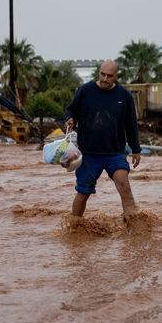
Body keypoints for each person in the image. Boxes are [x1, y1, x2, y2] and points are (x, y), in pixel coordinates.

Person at [64, 59, 141, 218]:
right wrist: (70, 119)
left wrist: (136, 150)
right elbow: (71, 111)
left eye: (109, 76)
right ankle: (73, 227)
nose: (105, 79)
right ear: (99, 73)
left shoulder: (124, 96)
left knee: (124, 186)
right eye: (102, 74)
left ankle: (135, 230)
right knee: (83, 192)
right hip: (88, 154)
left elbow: (131, 125)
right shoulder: (85, 91)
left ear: (116, 76)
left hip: (115, 153)